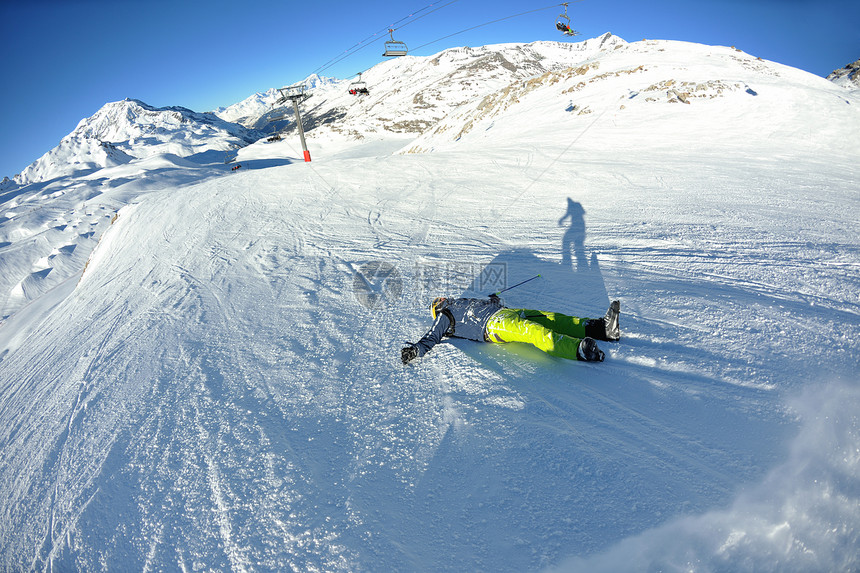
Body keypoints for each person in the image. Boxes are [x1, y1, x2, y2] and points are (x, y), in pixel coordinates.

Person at [401, 296, 620, 364]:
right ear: (437, 308)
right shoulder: (444, 316)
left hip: (506, 312)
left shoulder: (461, 301)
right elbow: (431, 337)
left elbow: (489, 302)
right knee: (532, 331)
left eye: (440, 297)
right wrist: (416, 350)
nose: (442, 298)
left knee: (551, 318)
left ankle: (601, 328)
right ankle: (578, 350)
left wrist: (493, 300)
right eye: (437, 302)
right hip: (492, 325)